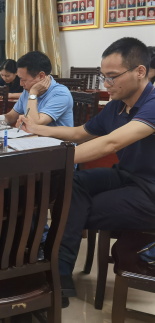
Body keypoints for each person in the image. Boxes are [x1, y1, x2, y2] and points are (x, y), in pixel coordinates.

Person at [17, 37, 155, 309]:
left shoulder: (152, 103)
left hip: (150, 190)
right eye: (103, 76)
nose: (106, 84)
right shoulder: (118, 104)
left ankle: (57, 271)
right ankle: (60, 271)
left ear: (140, 71)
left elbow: (110, 143)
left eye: (112, 77)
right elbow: (80, 133)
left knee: (73, 209)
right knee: (72, 183)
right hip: (126, 175)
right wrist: (39, 129)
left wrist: (50, 159)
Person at [0, 51, 73, 129]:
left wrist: (33, 94)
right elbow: (11, 116)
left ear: (41, 76)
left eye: (23, 80)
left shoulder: (60, 94)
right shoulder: (28, 90)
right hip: (34, 140)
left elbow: (35, 124)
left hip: (58, 143)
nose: (21, 84)